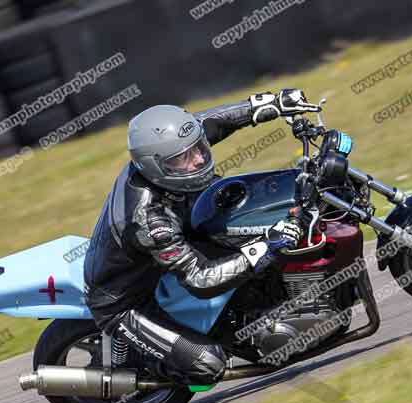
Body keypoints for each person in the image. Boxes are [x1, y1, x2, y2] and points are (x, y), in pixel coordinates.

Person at [83, 89, 320, 385]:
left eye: (198, 148)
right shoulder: (149, 219)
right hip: (124, 301)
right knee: (208, 366)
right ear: (155, 166)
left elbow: (212, 122)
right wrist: (267, 246)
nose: (196, 160)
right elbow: (200, 280)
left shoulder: (169, 147)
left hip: (181, 231)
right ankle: (146, 371)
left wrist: (269, 105)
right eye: (182, 158)